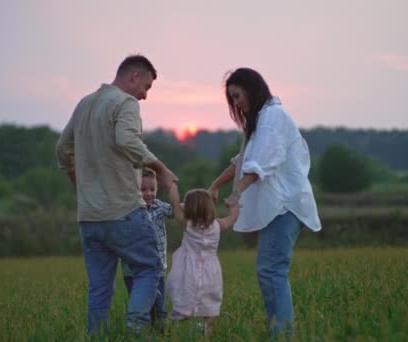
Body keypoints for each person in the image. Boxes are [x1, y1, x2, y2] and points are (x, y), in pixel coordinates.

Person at [55, 54, 177, 335]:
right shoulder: (125, 103)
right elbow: (126, 139)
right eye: (146, 87)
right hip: (123, 212)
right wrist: (159, 168)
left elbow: (62, 150)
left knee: (99, 288)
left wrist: (80, 187)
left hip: (89, 218)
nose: (145, 96)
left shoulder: (85, 103)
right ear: (134, 77)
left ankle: (95, 336)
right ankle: (135, 329)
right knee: (150, 268)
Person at [208, 67, 322, 338]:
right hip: (280, 208)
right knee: (270, 271)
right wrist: (215, 185)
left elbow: (262, 164)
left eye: (237, 96)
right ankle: (280, 332)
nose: (236, 104)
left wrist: (237, 193)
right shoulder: (261, 121)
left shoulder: (272, 118)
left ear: (252, 88)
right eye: (231, 99)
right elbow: (243, 161)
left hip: (285, 206)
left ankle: (282, 335)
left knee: (271, 270)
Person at [165, 182, 239, 333]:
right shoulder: (218, 225)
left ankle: (176, 323)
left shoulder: (187, 224)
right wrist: (234, 201)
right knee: (211, 301)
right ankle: (206, 327)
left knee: (184, 296)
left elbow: (174, 204)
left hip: (188, 270)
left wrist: (172, 185)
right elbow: (233, 218)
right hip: (210, 272)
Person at [120, 167, 173, 332]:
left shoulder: (159, 207)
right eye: (143, 189)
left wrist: (194, 204)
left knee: (159, 306)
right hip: (131, 269)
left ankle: (160, 333)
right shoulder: (129, 210)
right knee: (140, 304)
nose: (148, 193)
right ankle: (140, 330)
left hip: (158, 268)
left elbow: (176, 209)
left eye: (152, 189)